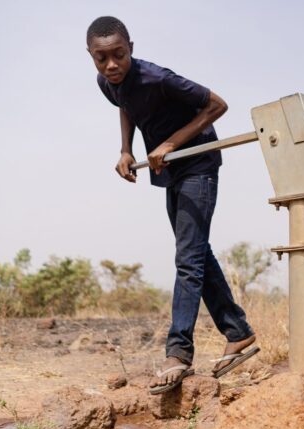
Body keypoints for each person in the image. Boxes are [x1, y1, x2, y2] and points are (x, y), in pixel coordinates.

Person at [86, 16, 259, 395]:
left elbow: (217, 105)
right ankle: (238, 332)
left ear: (131, 47)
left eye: (119, 55)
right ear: (91, 57)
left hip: (199, 164)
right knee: (195, 252)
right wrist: (126, 149)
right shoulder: (108, 82)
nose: (111, 65)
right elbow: (125, 105)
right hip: (172, 171)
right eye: (102, 58)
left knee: (187, 260)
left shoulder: (158, 77)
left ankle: (178, 352)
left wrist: (170, 144)